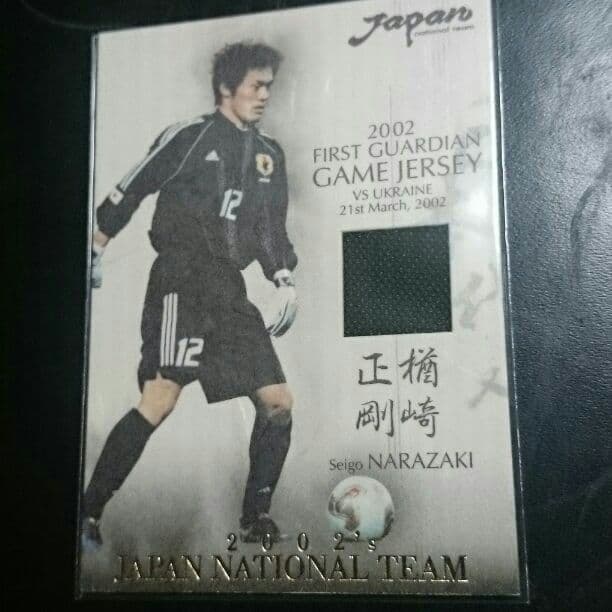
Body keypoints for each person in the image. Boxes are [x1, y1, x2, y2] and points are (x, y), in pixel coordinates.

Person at [81, 42, 298, 550]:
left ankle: (255, 517)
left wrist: (284, 278)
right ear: (226, 87)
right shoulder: (190, 135)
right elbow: (134, 185)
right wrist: (96, 245)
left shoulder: (269, 155)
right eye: (256, 86)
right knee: (159, 399)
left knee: (278, 404)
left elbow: (270, 228)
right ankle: (87, 511)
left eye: (269, 87)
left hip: (228, 288)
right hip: (180, 279)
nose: (265, 95)